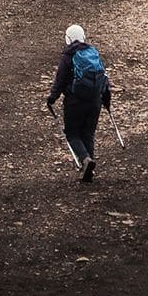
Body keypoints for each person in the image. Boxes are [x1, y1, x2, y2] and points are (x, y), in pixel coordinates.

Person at [47, 24, 113, 181]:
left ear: (68, 38)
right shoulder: (93, 53)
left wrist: (52, 98)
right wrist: (106, 98)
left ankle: (85, 160)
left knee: (72, 133)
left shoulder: (68, 56)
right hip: (95, 101)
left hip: (75, 102)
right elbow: (103, 77)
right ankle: (88, 172)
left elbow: (60, 80)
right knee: (88, 134)